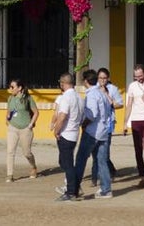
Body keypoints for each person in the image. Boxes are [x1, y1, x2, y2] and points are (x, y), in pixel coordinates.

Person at [73, 70, 115, 199]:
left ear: (85, 81)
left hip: (92, 132)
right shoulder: (102, 93)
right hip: (103, 131)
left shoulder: (92, 94)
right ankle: (106, 189)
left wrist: (84, 125)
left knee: (81, 160)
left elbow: (92, 114)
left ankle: (74, 188)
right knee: (101, 161)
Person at [51, 72, 83, 202]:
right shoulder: (79, 97)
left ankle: (71, 191)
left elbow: (62, 116)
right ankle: (74, 188)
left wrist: (56, 130)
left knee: (67, 164)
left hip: (66, 133)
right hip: (74, 133)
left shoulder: (66, 98)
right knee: (67, 163)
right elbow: (82, 117)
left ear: (62, 83)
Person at [5, 78, 39, 182]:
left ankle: (33, 167)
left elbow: (36, 112)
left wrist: (31, 124)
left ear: (19, 88)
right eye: (10, 86)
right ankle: (9, 175)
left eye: (12, 87)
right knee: (10, 151)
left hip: (25, 128)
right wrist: (7, 119)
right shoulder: (10, 98)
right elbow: (8, 111)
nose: (10, 89)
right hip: (13, 127)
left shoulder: (28, 98)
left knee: (27, 153)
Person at [95, 67, 123, 183]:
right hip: (96, 123)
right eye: (100, 78)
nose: (102, 80)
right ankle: (108, 170)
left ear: (108, 78)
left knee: (105, 150)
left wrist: (110, 103)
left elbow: (120, 104)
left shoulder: (113, 89)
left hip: (108, 122)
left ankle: (107, 174)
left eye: (105, 78)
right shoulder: (94, 89)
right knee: (97, 150)